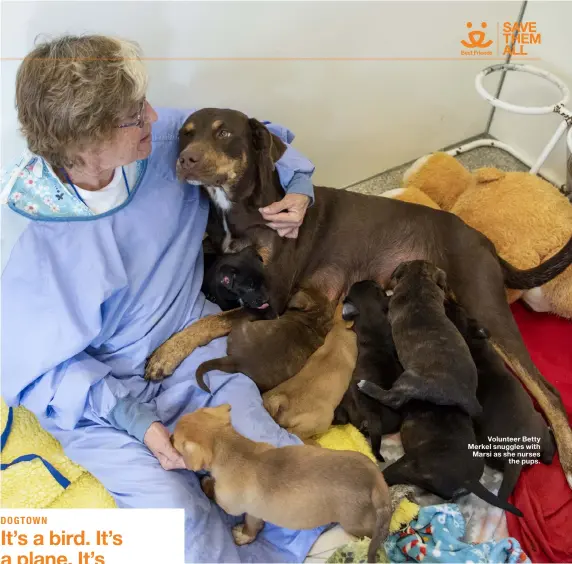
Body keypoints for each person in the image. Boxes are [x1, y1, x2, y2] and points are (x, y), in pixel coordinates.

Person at [1, 34, 323, 562]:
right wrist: (134, 420)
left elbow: (264, 138)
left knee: (279, 466)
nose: (153, 114)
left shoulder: (165, 137)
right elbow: (38, 369)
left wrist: (301, 187)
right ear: (85, 142)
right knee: (182, 524)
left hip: (190, 349)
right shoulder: (35, 244)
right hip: (100, 401)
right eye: (133, 114)